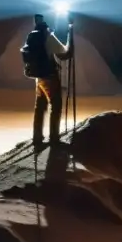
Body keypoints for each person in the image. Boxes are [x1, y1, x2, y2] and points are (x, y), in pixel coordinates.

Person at [21, 13, 72, 151]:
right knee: (56, 105)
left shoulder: (32, 35)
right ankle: (54, 139)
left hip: (39, 78)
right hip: (49, 76)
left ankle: (37, 138)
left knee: (40, 107)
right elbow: (65, 53)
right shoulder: (48, 36)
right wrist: (70, 33)